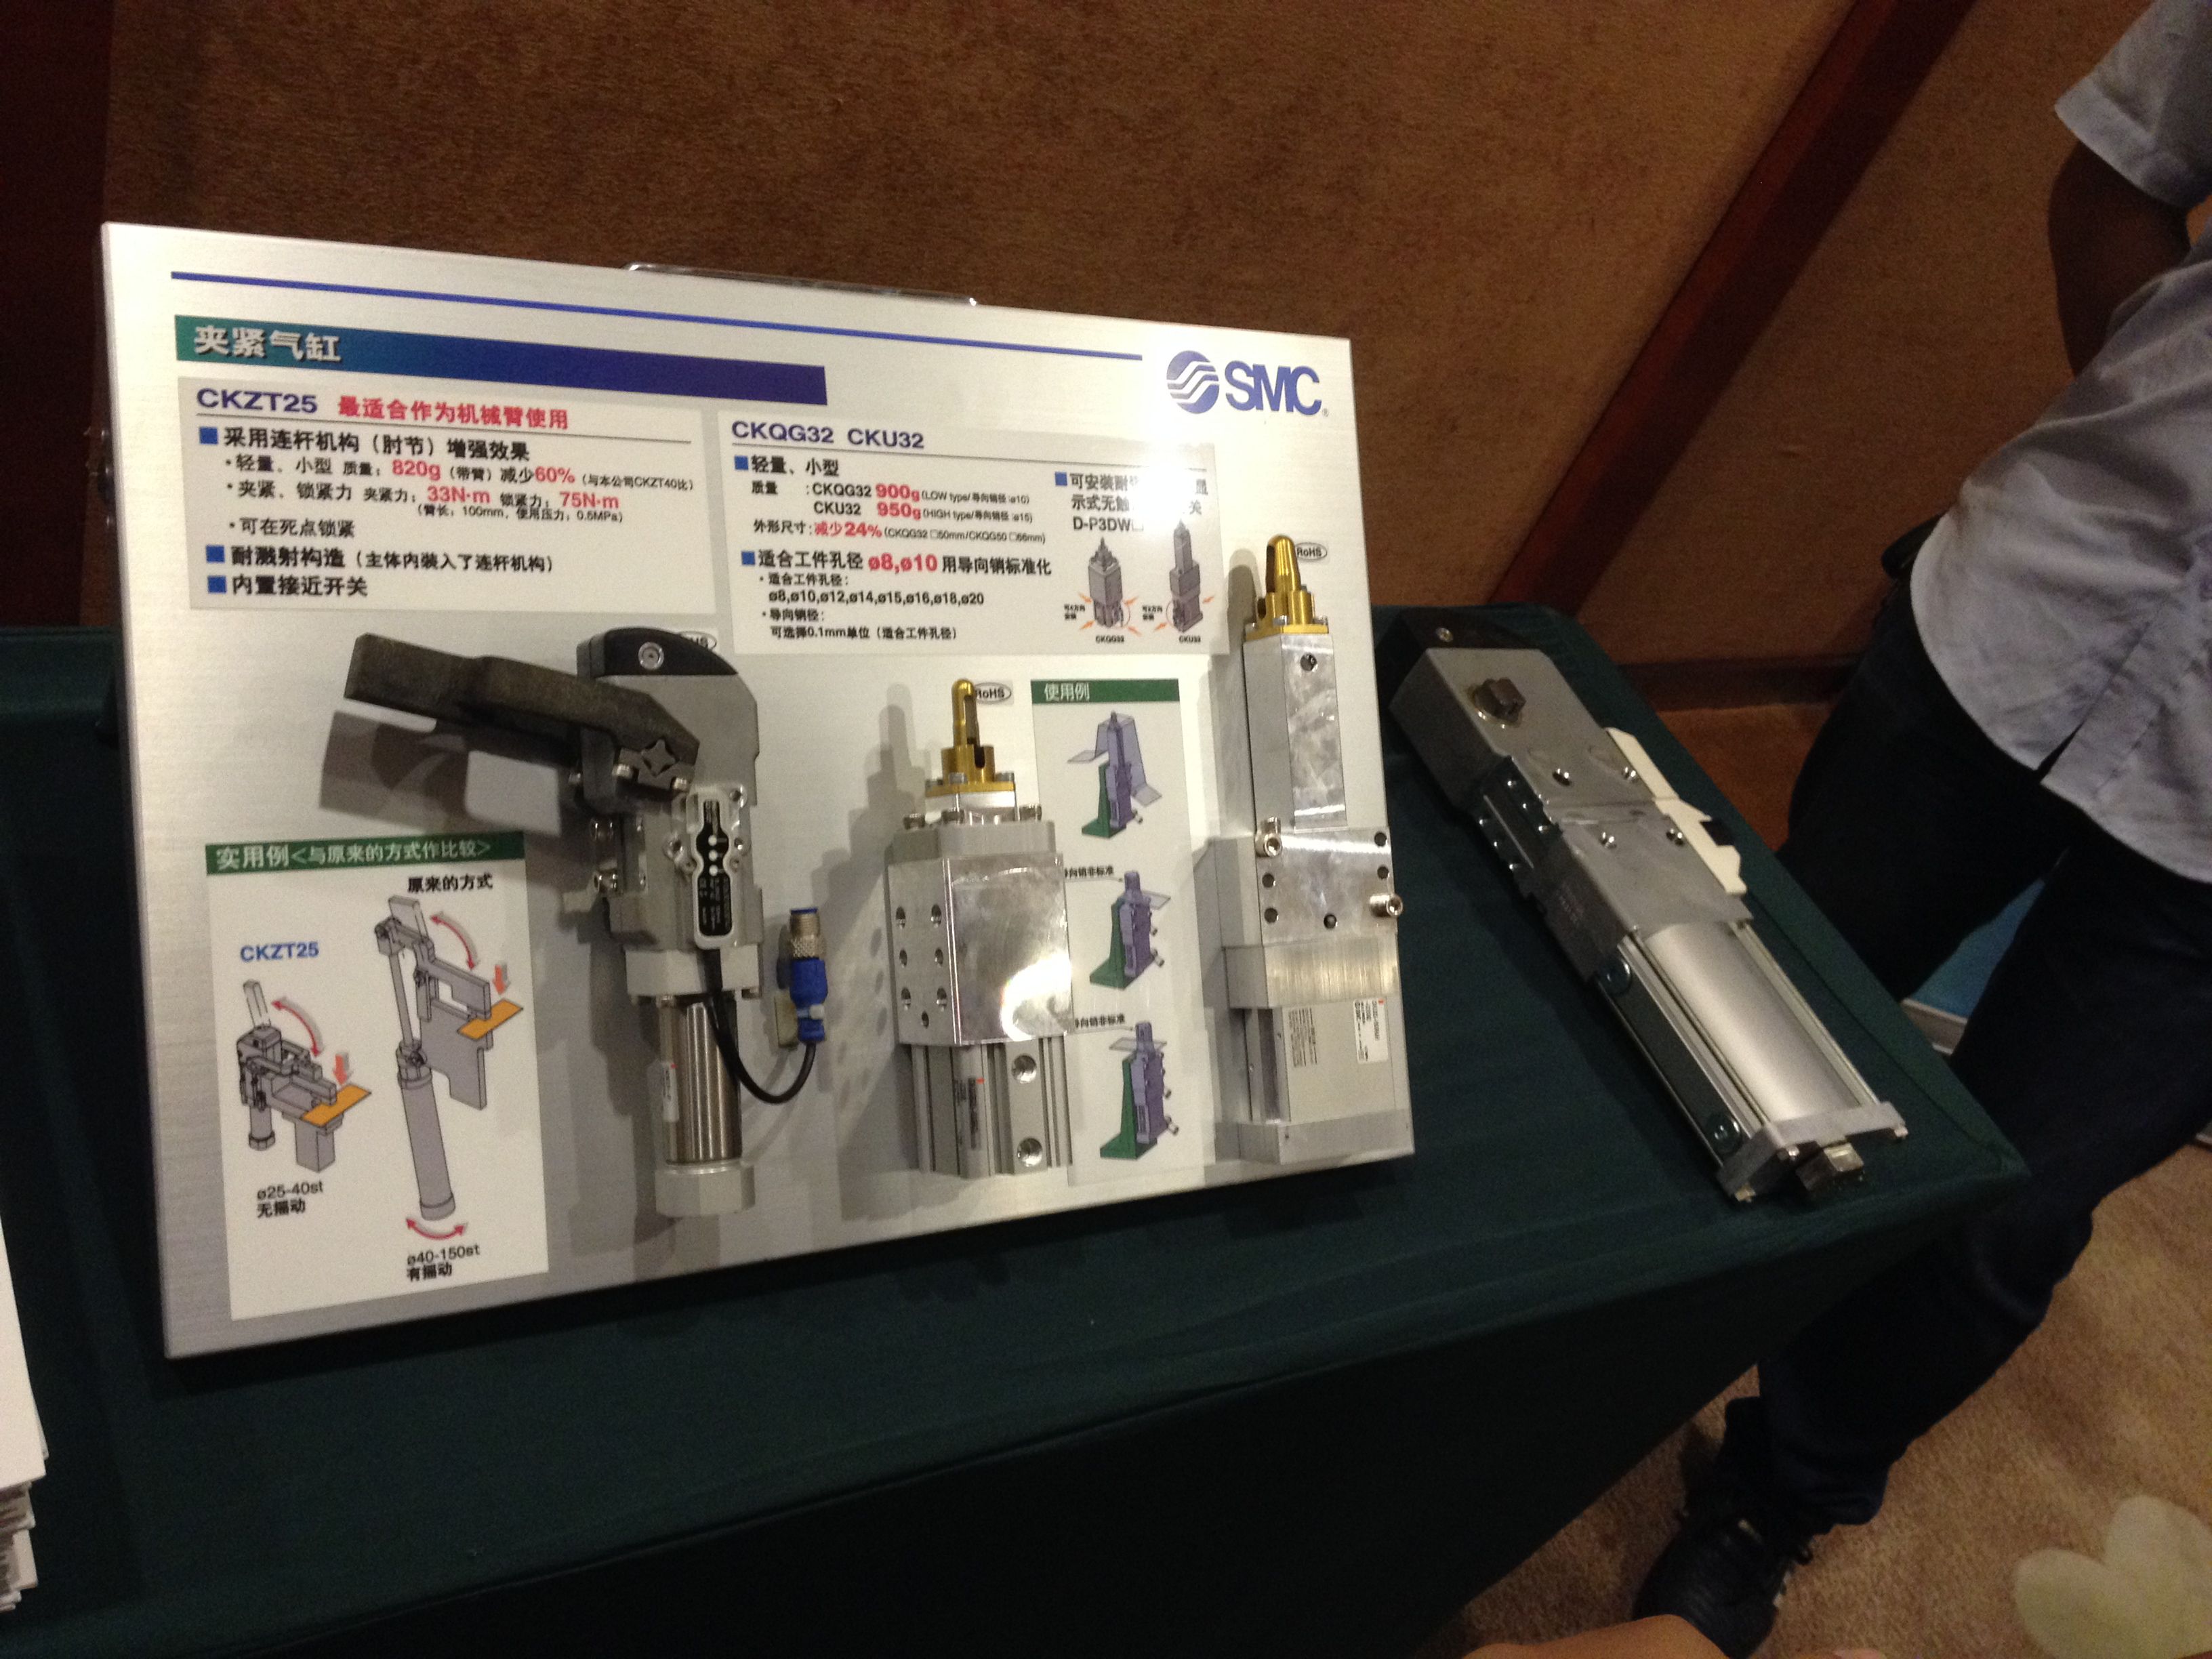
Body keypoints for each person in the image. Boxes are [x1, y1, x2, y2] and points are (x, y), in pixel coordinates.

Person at [1632, 3, 2212, 1653]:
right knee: (1734, 1013)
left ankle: (1777, 1496)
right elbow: (2122, 167)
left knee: (2004, 1210)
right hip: (2030, 602)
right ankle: (1568, 1344)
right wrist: (2157, 403)